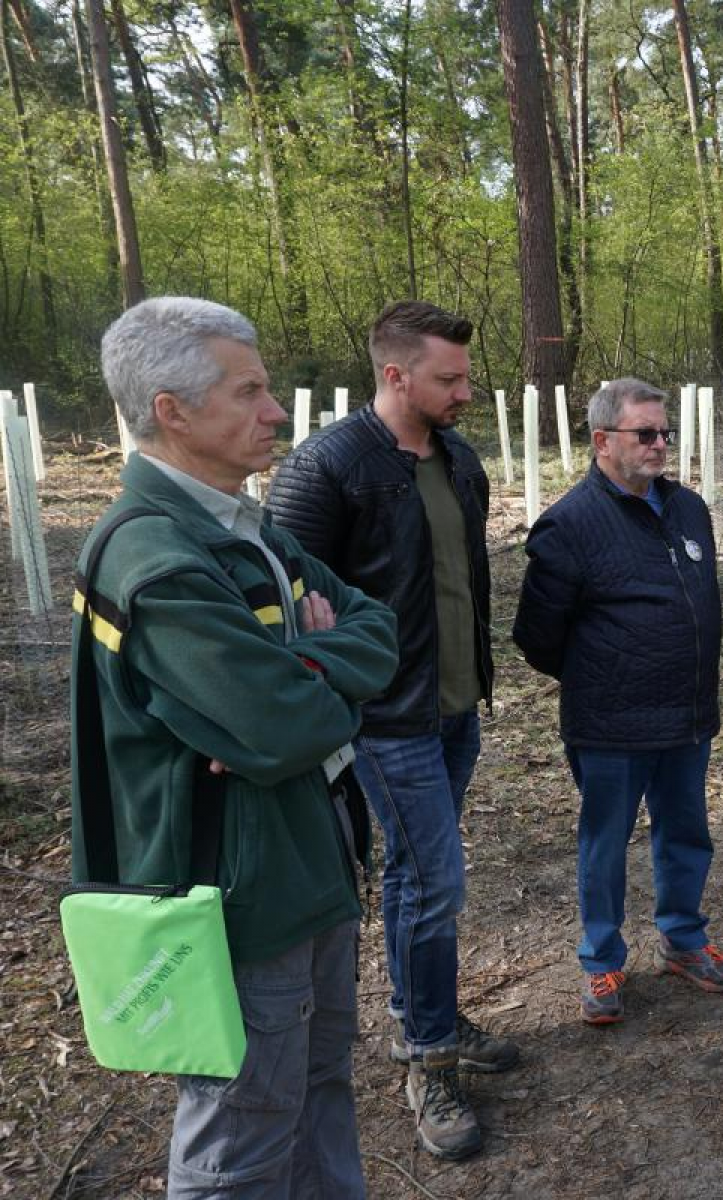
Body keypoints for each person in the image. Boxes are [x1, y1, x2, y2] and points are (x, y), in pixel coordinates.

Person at [73, 297, 398, 1196]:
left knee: (321, 1086)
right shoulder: (156, 562)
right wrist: (303, 687)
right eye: (249, 392)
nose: (277, 413)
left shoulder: (243, 529)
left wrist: (298, 667)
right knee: (243, 1135)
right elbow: (283, 724)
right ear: (171, 411)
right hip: (240, 899)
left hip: (311, 862)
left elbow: (379, 627)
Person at [268, 301, 516, 1161]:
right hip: (385, 719)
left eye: (465, 375)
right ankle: (426, 1058)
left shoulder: (458, 458)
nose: (465, 391)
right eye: (449, 378)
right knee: (429, 877)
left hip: (454, 708)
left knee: (427, 875)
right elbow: (283, 604)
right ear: (394, 374)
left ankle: (434, 1014)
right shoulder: (327, 467)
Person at [513, 378, 723, 1026]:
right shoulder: (570, 524)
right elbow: (537, 636)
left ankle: (683, 938)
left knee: (686, 834)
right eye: (646, 433)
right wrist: (603, 674)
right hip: (610, 722)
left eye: (665, 432)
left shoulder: (688, 508)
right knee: (605, 843)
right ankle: (601, 961)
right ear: (603, 440)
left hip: (687, 713)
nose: (660, 444)